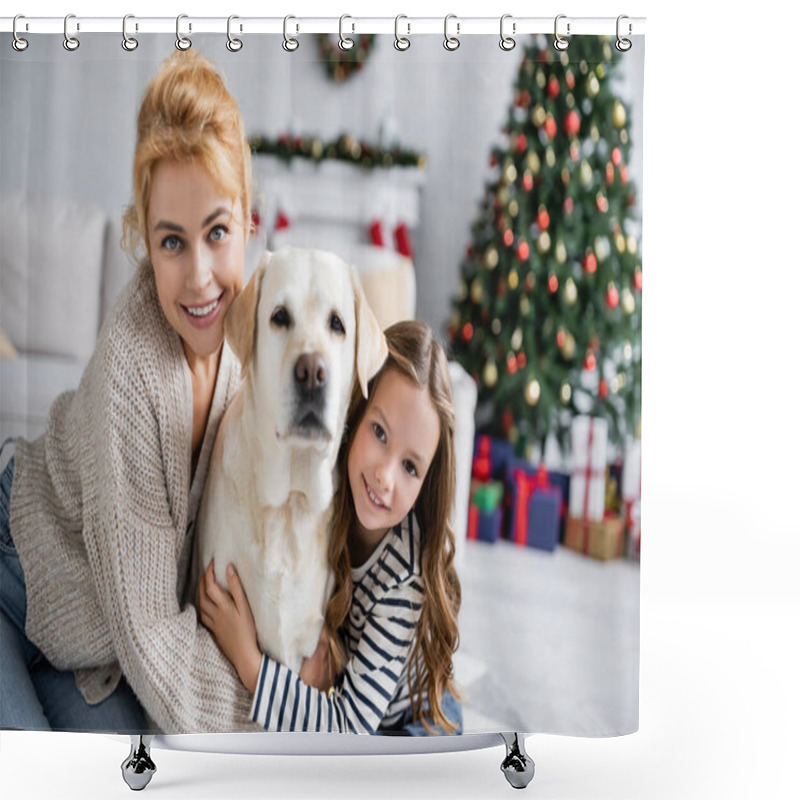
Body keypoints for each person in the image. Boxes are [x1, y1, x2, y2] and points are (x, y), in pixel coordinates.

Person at [0, 50, 260, 733]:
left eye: (217, 233)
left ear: (249, 221)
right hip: (15, 576)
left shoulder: (255, 349)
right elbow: (151, 639)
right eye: (172, 243)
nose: (200, 277)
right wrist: (285, 706)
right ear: (145, 240)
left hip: (93, 639)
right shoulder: (132, 372)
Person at [199, 319, 464, 735]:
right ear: (354, 412)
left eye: (410, 467)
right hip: (345, 680)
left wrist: (250, 662)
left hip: (405, 724)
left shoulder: (403, 582)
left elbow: (349, 729)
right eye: (379, 433)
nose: (385, 476)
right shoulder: (329, 480)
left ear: (427, 481)